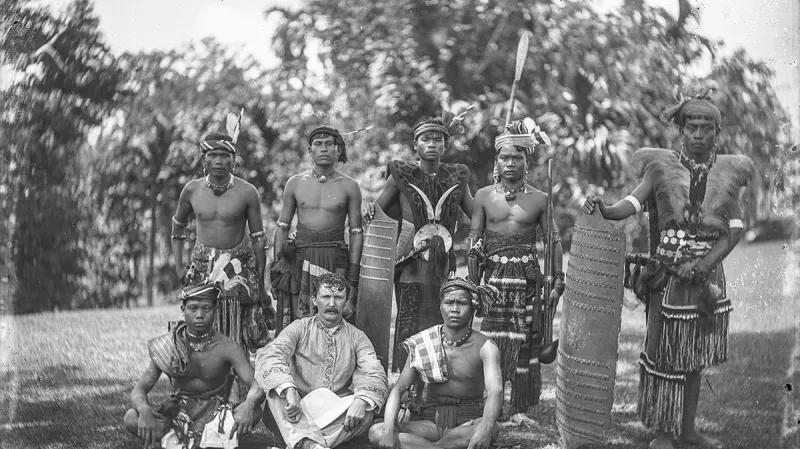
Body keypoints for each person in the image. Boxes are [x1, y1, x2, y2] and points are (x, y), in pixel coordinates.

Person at [581, 94, 753, 449]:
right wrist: (604, 207)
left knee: (692, 358)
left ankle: (687, 430)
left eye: (707, 128)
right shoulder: (660, 170)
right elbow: (627, 205)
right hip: (667, 280)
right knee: (662, 354)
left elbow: (734, 231)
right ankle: (663, 432)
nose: (699, 134)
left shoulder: (727, 175)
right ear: (681, 131)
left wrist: (704, 264)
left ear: (717, 132)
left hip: (705, 282)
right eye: (693, 127)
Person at [467, 118, 565, 416]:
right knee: (493, 338)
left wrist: (557, 283)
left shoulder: (539, 198)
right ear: (497, 161)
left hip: (527, 279)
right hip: (493, 279)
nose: (510, 163)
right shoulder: (484, 196)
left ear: (527, 161)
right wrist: (474, 286)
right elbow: (475, 242)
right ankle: (491, 402)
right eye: (505, 157)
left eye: (517, 157)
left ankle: (520, 404)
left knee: (525, 338)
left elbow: (554, 242)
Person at [363, 116, 474, 372]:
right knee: (409, 321)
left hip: (441, 262)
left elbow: (475, 213)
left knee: (438, 318)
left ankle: (433, 381)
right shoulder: (402, 174)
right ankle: (406, 385)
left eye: (438, 140)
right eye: (426, 139)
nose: (432, 144)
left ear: (445, 145)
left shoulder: (457, 177)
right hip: (410, 261)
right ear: (416, 144)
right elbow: (377, 210)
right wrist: (370, 208)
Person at [124, 281, 265, 449]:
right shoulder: (169, 345)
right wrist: (144, 409)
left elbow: (257, 384)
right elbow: (139, 389)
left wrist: (248, 405)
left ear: (215, 311)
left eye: (206, 308)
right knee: (131, 417)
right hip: (177, 414)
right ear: (183, 310)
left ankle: (178, 441)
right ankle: (204, 440)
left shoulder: (228, 347)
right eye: (193, 308)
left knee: (256, 412)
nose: (199, 314)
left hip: (216, 415)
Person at [255, 273, 388, 449]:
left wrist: (361, 401)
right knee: (275, 392)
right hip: (297, 407)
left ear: (346, 301)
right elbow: (271, 355)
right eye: (325, 296)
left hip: (332, 413)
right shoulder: (300, 327)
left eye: (338, 297)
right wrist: (289, 390)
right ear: (315, 300)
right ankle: (311, 444)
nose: (332, 304)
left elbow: (374, 371)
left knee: (366, 409)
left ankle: (305, 443)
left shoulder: (357, 337)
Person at [369, 277, 503, 449]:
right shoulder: (423, 342)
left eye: (462, 303)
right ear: (440, 307)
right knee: (377, 432)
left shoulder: (486, 347)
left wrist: (485, 428)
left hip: (467, 424)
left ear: (472, 308)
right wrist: (388, 430)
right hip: (430, 425)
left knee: (491, 429)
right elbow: (399, 388)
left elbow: (495, 391)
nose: (455, 309)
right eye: (449, 302)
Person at [171, 130, 274, 353]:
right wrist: (179, 266)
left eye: (225, 155)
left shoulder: (247, 192)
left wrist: (262, 283)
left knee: (239, 329)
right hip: (201, 268)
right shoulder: (191, 190)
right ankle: (206, 380)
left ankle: (239, 380)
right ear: (203, 159)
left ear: (233, 160)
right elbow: (177, 226)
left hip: (237, 268)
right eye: (213, 155)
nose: (218, 161)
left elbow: (259, 239)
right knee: (202, 324)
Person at [272, 126, 364, 330]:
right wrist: (278, 268)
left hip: (335, 258)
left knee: (333, 317)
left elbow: (356, 233)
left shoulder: (350, 186)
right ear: (309, 150)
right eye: (318, 144)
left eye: (329, 144)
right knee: (299, 322)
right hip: (300, 258)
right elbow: (282, 227)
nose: (324, 148)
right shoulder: (295, 183)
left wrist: (353, 277)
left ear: (338, 150)